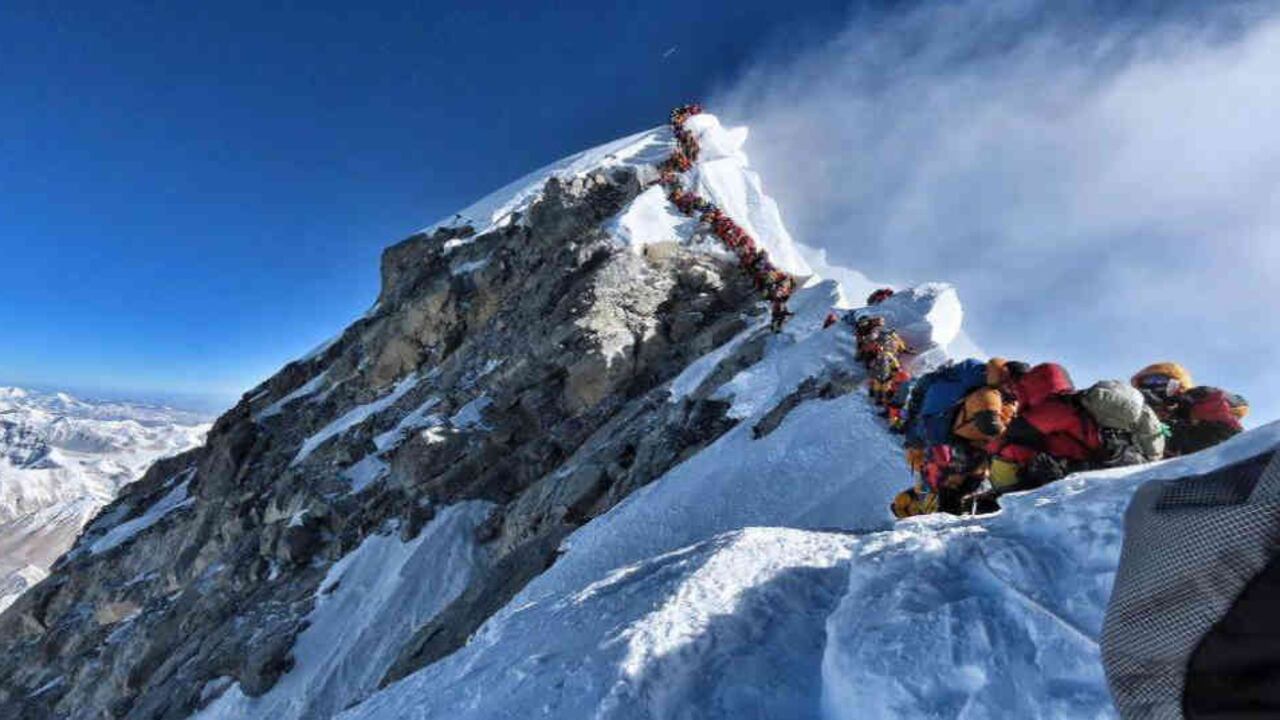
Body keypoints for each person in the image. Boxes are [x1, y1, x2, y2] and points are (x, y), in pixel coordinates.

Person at [987, 362, 1100, 493]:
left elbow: (1012, 433)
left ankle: (1003, 497)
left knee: (1010, 450)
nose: (1009, 391)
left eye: (1010, 386)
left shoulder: (1049, 408)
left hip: (1079, 465)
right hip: (1086, 459)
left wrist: (988, 449)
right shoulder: (1068, 402)